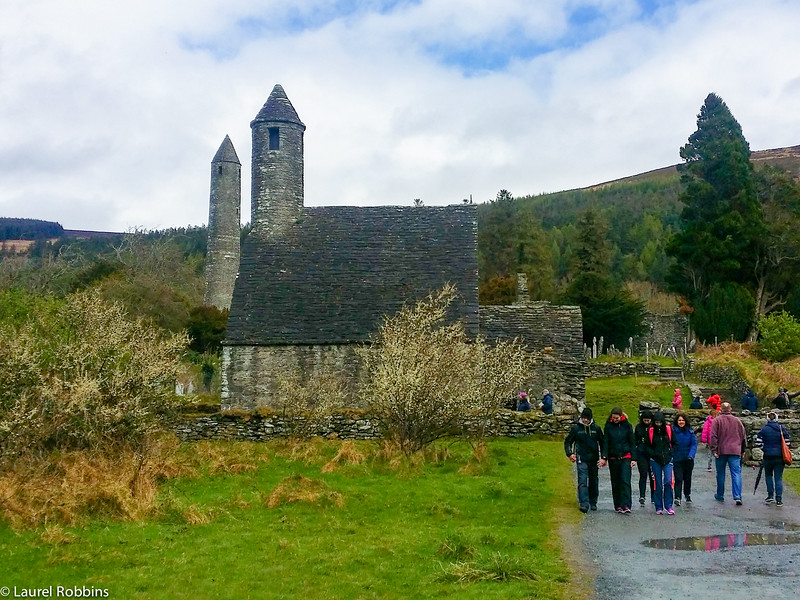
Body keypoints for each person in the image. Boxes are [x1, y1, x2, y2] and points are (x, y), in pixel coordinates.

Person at [564, 407, 604, 513]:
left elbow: (603, 443)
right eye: (583, 418)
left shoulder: (596, 428)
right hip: (581, 458)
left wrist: (604, 457)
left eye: (587, 418)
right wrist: (570, 454)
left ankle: (593, 502)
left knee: (593, 480)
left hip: (594, 459)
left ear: (591, 418)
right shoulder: (576, 429)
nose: (585, 420)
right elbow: (568, 442)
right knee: (582, 480)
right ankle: (584, 503)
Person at [710, 402, 747, 505]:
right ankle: (737, 496)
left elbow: (713, 436)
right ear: (730, 409)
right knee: (736, 473)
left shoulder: (717, 420)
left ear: (721, 409)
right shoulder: (737, 421)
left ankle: (720, 495)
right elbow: (743, 436)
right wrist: (743, 450)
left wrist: (714, 449)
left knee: (721, 473)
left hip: (721, 450)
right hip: (735, 450)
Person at [601, 407, 636, 514]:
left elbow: (632, 442)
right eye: (613, 417)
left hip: (625, 456)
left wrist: (634, 458)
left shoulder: (627, 426)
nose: (615, 419)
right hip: (613, 457)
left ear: (621, 416)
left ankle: (626, 505)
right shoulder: (608, 426)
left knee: (625, 480)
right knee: (615, 481)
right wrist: (604, 457)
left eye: (617, 417)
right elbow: (605, 442)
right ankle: (618, 505)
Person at [756, 411, 791, 506]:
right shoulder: (782, 428)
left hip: (768, 456)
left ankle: (770, 496)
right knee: (778, 477)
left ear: (768, 418)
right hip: (780, 456)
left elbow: (758, 442)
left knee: (768, 475)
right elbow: (787, 442)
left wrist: (765, 449)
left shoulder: (764, 429)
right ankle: (779, 499)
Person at [645, 411, 674, 515]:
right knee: (657, 484)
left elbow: (674, 443)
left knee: (668, 481)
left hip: (668, 460)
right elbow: (647, 446)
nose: (658, 425)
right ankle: (658, 506)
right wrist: (653, 454)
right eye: (656, 422)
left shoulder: (669, 430)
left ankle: (669, 505)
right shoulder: (650, 431)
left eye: (660, 422)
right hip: (655, 460)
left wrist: (671, 454)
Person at [672, 412, 697, 506]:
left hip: (688, 459)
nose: (681, 422)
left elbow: (694, 444)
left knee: (687, 478)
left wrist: (691, 455)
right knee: (678, 478)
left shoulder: (690, 432)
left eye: (682, 420)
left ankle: (687, 494)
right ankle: (677, 497)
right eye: (679, 420)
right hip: (677, 458)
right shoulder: (673, 431)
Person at [633, 410, 655, 506]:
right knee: (643, 475)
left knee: (652, 476)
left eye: (648, 420)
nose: (647, 422)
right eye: (645, 420)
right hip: (641, 454)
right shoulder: (638, 427)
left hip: (652, 454)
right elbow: (635, 440)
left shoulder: (654, 427)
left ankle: (654, 496)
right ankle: (642, 495)